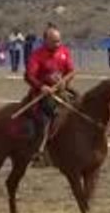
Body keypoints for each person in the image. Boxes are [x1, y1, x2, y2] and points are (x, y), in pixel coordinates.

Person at [24, 26, 77, 155]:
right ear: (46, 40)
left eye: (59, 41)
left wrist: (64, 81)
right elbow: (29, 76)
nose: (58, 44)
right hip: (43, 94)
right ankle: (46, 145)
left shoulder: (64, 51)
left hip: (62, 89)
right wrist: (42, 87)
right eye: (54, 41)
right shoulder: (37, 55)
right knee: (53, 112)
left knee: (79, 104)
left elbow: (71, 71)